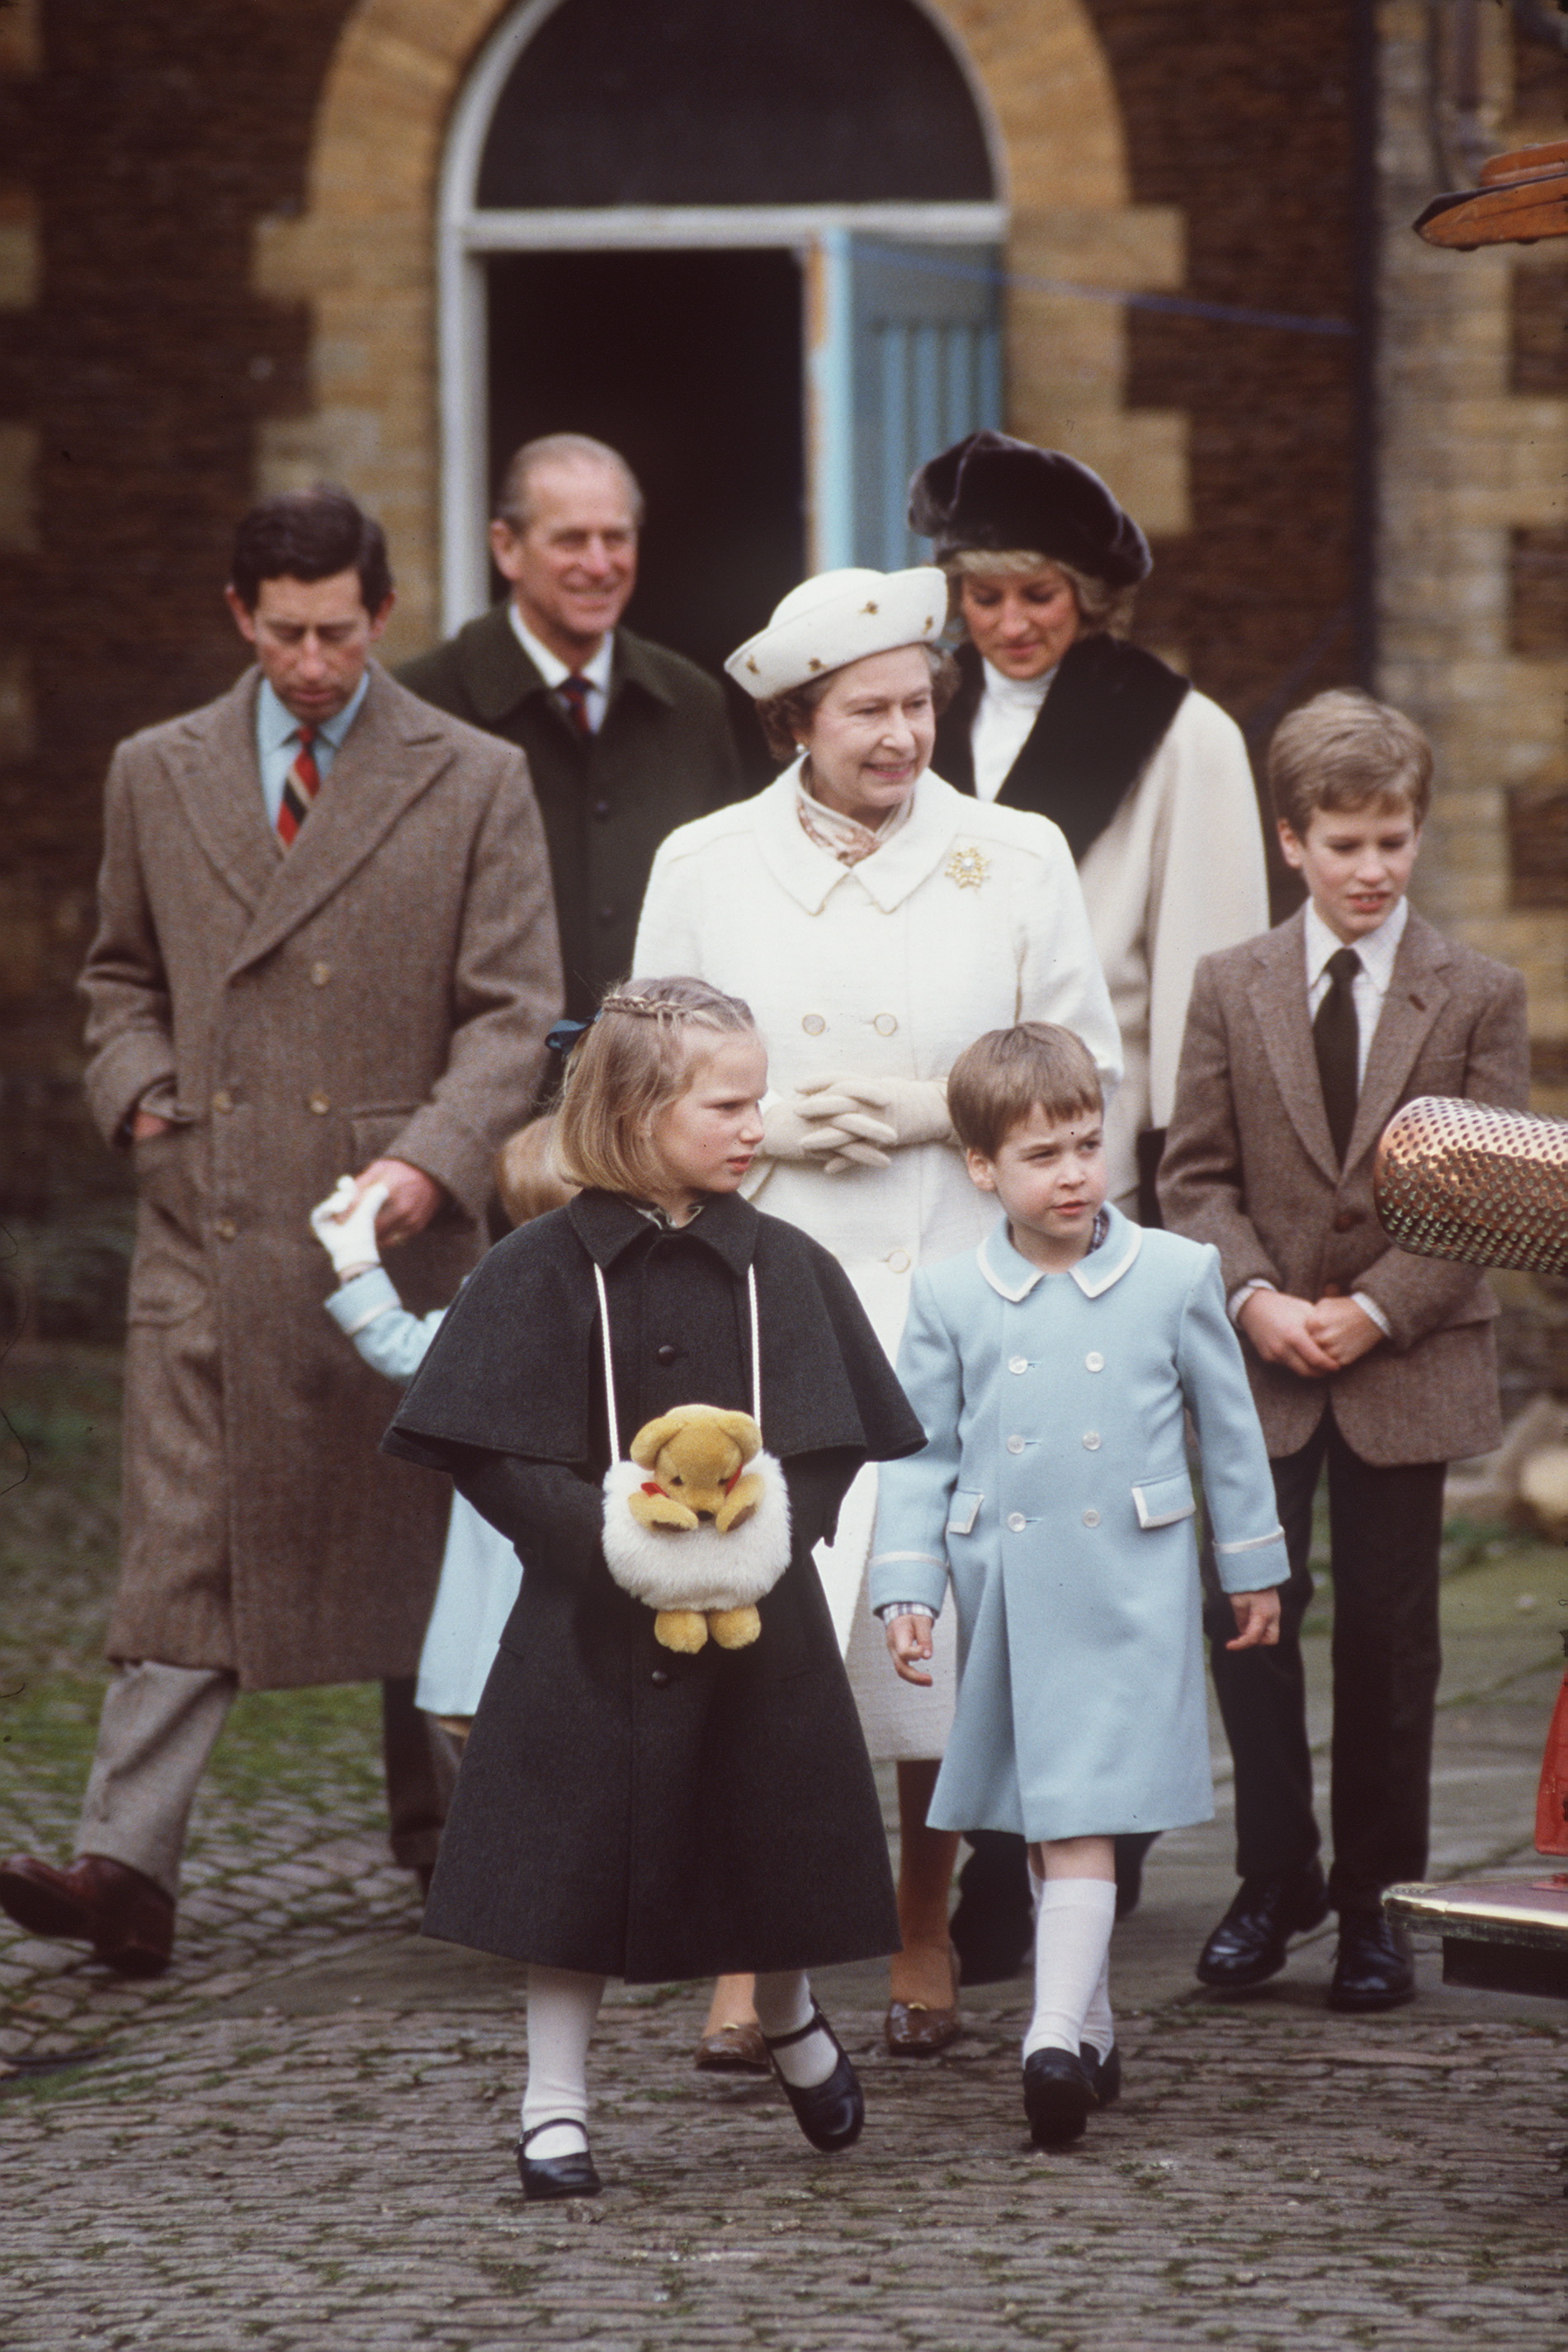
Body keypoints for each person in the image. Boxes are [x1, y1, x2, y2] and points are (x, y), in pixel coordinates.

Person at [0, 486, 562, 1977]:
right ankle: (127, 1868)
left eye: (340, 629)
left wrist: (432, 1166)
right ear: (239, 616)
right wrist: (137, 1101)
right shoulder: (154, 769)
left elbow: (515, 1012)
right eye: (286, 631)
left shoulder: (474, 774)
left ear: (382, 615)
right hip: (213, 1221)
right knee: (184, 1550)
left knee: (442, 1553)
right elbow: (118, 978)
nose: (315, 662)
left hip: (406, 1242)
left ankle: (485, 1850)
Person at [633, 566, 1120, 2061]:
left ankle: (924, 1918)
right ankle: (750, 1948)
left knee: (936, 1616)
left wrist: (927, 1107)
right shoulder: (706, 861)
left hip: (960, 1277)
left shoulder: (1015, 852)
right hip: (763, 1288)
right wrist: (770, 1128)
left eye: (921, 704)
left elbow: (1091, 1073)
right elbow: (636, 1083)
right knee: (753, 1611)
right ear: (798, 719)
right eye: (869, 712)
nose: (904, 736)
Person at [380, 978, 925, 2200]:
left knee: (767, 1843)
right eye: (726, 1103)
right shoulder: (540, 1268)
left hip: (756, 1622)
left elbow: (837, 1443)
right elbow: (486, 1445)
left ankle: (788, 2014)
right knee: (568, 1871)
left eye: (759, 1098)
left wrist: (766, 1536)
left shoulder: (783, 1264)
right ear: (634, 1108)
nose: (755, 1123)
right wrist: (602, 1538)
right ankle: (553, 2105)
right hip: (588, 1629)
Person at [910, 427, 1272, 1961]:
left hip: (1093, 1148)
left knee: (1109, 1517)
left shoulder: (1176, 733)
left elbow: (1204, 966)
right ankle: (990, 1826)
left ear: (1089, 597)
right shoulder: (907, 715)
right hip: (942, 1153)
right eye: (987, 595)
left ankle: (1091, 1838)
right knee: (985, 1500)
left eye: (1041, 595)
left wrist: (1184, 1178)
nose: (1013, 625)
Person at [1159, 689, 1531, 2012]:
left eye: (1394, 841)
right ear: (1290, 841)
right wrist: (1254, 1298)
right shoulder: (1228, 985)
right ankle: (1275, 1875)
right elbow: (1193, 1179)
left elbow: (1489, 1192)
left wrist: (1372, 1308)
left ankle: (1378, 1897)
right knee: (1248, 1621)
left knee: (1390, 1636)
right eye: (1346, 843)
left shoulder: (1478, 991)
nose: (1373, 870)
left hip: (1406, 1358)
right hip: (1258, 1359)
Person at [869, 1022, 1286, 2147]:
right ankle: (1091, 2033)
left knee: (1086, 1810)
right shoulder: (953, 1296)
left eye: (1087, 1145)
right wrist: (908, 1585)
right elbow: (918, 1452)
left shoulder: (1175, 1270)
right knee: (1057, 1818)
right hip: (1007, 1584)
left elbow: (1231, 1434)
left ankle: (1048, 2034)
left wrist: (1251, 1567)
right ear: (981, 1170)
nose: (1072, 1174)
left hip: (1131, 1583)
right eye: (1042, 1154)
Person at [397, 432, 742, 1019]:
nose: (600, 564)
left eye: (617, 537)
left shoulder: (693, 703)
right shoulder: (421, 706)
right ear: (507, 548)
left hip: (655, 1085)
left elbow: (728, 906)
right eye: (571, 540)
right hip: (480, 1087)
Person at [309, 1114, 575, 1758]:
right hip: (526, 1530)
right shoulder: (505, 1296)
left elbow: (403, 1346)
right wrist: (354, 1258)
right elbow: (411, 1350)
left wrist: (355, 1260)